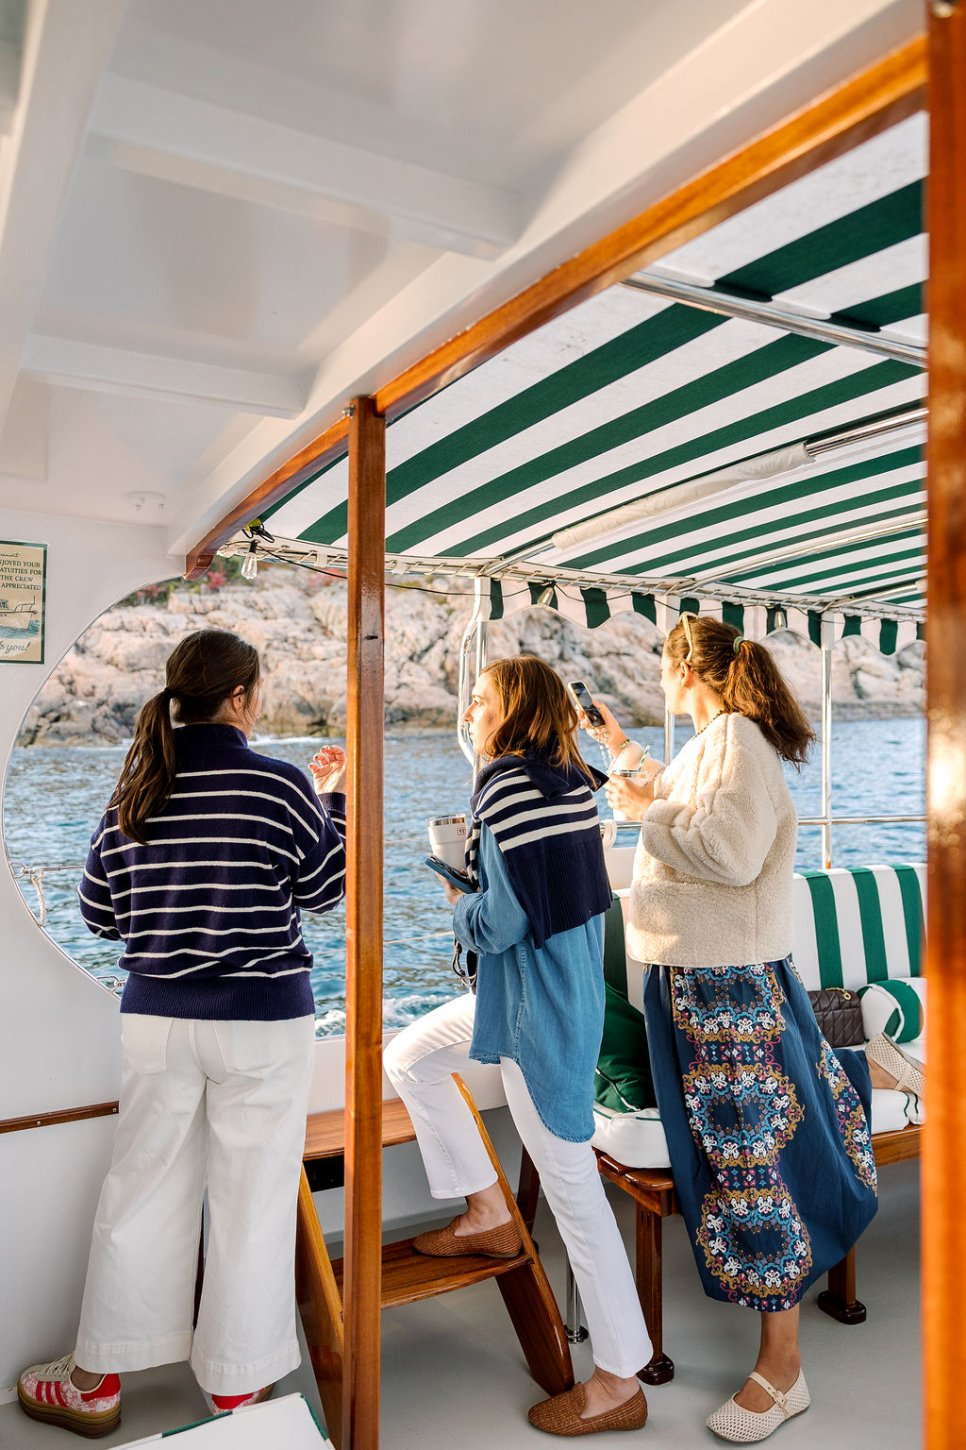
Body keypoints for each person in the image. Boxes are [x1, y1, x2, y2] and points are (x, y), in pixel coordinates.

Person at [596, 613, 924, 1445]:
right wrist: (626, 757)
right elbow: (686, 804)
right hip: (704, 979)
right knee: (752, 1148)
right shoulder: (717, 743)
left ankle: (783, 1370)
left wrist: (644, 813)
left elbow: (729, 852)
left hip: (725, 985)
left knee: (752, 1168)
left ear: (685, 671)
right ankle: (871, 1069)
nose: (658, 679)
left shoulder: (737, 741)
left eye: (661, 666)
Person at [18, 628, 348, 1438]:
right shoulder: (279, 786)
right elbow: (326, 889)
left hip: (158, 1022)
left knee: (140, 1191)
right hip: (263, 1024)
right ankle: (235, 1392)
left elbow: (98, 913)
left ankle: (95, 1381)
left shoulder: (137, 789)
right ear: (240, 697)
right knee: (251, 1202)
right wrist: (331, 800)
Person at [384, 655, 650, 1438]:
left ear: (514, 710)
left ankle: (620, 1381)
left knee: (574, 1193)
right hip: (551, 992)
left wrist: (457, 903)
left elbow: (501, 923)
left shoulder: (504, 788)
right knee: (411, 1059)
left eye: (480, 700)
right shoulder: (567, 781)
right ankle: (489, 1210)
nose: (469, 713)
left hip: (539, 1010)